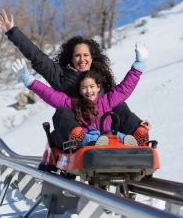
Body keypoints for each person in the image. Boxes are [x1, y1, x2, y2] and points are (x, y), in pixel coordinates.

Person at [0, 9, 151, 148]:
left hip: (107, 131)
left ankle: (137, 133)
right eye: (77, 55)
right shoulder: (61, 76)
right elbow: (37, 57)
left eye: (85, 55)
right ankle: (78, 137)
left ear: (92, 58)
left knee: (119, 105)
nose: (82, 59)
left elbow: (123, 90)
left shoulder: (100, 80)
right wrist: (12, 32)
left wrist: (139, 64)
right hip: (75, 131)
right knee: (62, 111)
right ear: (71, 58)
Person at [12, 41, 150, 147]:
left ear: (98, 87)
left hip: (109, 136)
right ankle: (82, 140)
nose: (88, 91)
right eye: (84, 88)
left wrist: (139, 64)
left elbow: (125, 87)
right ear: (79, 89)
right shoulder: (72, 102)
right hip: (88, 136)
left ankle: (134, 137)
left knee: (118, 130)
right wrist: (28, 80)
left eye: (91, 87)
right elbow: (49, 94)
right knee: (86, 132)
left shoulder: (108, 99)